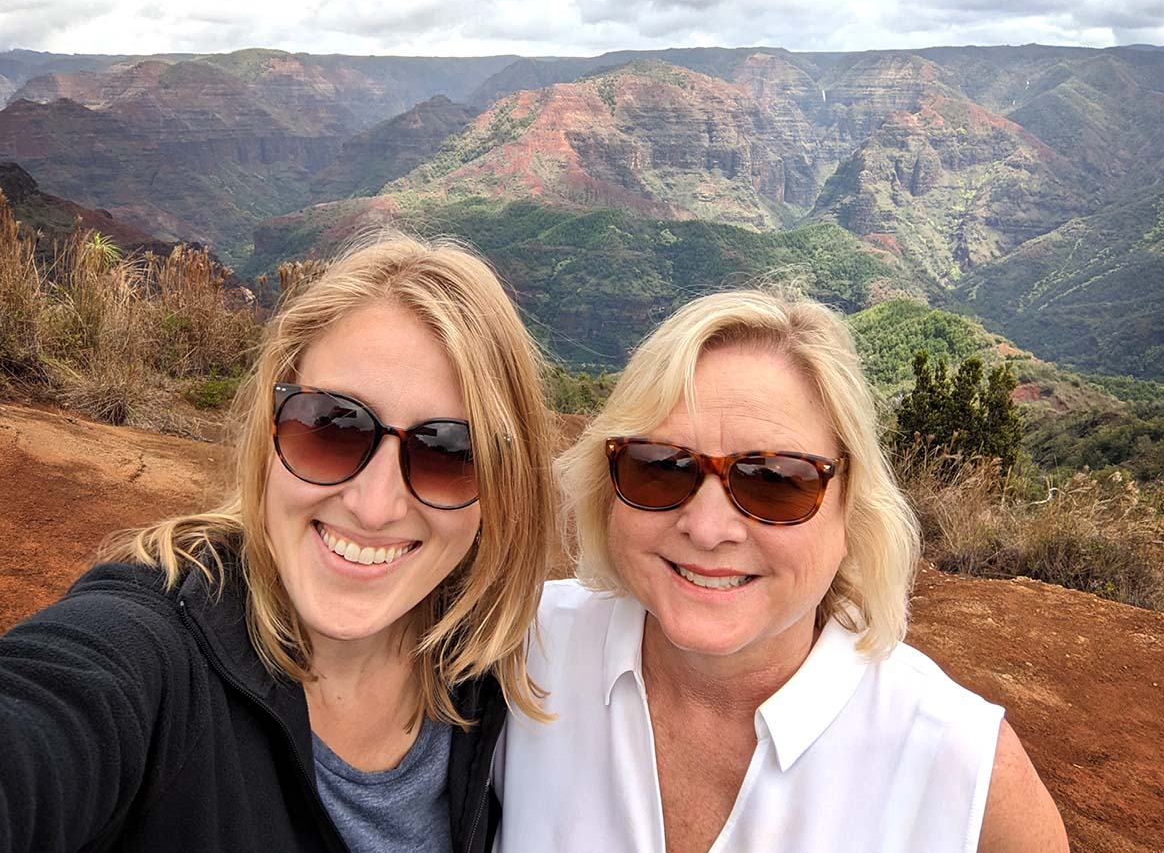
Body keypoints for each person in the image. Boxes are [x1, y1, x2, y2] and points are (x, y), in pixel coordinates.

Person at [0, 234, 555, 853]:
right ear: (270, 430)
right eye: (329, 426)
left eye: (449, 453)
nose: (374, 507)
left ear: (504, 486)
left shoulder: (496, 674)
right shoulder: (148, 654)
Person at [495, 288, 1069, 852]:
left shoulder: (965, 773)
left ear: (852, 509)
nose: (708, 527)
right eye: (661, 467)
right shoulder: (521, 650)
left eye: (774, 481)